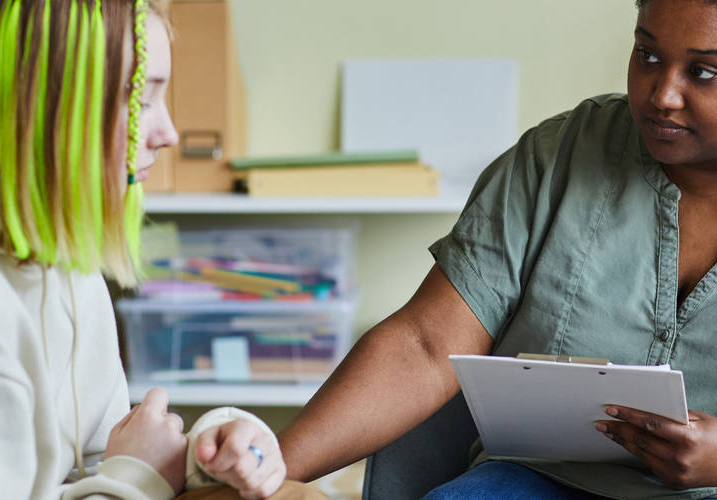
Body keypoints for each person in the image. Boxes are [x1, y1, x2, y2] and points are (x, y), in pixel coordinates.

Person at [277, 0, 717, 498]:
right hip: (536, 479)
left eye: (704, 72)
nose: (663, 95)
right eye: (648, 55)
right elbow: (425, 344)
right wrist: (268, 469)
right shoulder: (557, 156)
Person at [0, 1, 323, 499]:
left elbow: (95, 461)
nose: (169, 133)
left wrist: (208, 451)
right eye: (143, 100)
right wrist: (137, 476)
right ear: (48, 105)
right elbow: (118, 475)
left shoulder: (63, 261)